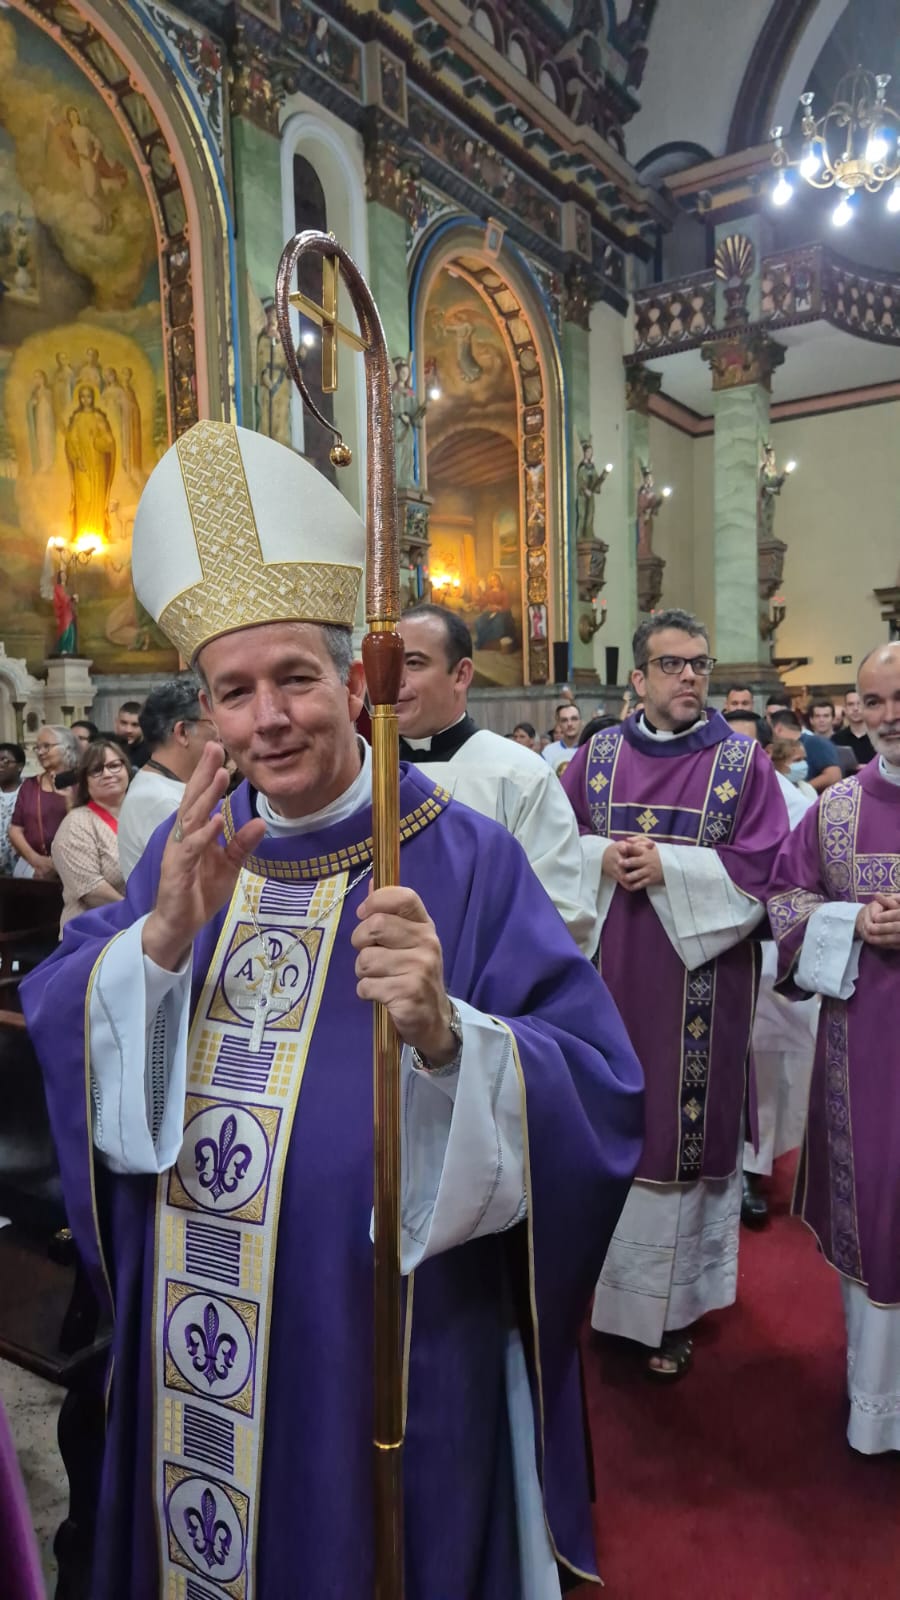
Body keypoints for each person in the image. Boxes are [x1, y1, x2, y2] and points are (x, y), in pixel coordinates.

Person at [21, 420, 644, 1598]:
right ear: (207, 712)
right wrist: (157, 946)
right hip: (196, 1354)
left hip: (384, 1350)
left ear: (354, 682)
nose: (268, 720)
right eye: (234, 693)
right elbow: (62, 1018)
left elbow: (600, 1095)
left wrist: (455, 1040)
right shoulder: (195, 855)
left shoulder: (460, 858)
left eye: (295, 678)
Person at [561, 607, 789, 1377]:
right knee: (608, 1130)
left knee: (677, 1138)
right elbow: (551, 849)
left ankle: (672, 1313)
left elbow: (765, 870)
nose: (690, 677)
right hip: (605, 982)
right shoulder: (593, 759)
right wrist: (604, 857)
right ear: (638, 679)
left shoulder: (742, 763)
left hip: (702, 992)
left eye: (699, 664)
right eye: (673, 665)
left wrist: (673, 868)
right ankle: (598, 1296)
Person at [767, 641, 900, 1454]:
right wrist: (852, 921)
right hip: (872, 1057)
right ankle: (881, 1408)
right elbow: (783, 904)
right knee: (885, 1210)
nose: (891, 718)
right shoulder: (839, 808)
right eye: (876, 702)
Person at [396, 604, 600, 956]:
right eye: (386, 663)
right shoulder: (360, 775)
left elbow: (562, 914)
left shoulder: (520, 775)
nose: (393, 680)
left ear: (461, 675)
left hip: (479, 999)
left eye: (414, 664)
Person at [723, 711, 818, 1226]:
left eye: (749, 747)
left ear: (764, 751)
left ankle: (751, 1173)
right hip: (706, 950)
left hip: (767, 954)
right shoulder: (707, 795)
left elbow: (804, 878)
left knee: (763, 1072)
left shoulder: (795, 801)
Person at [118, 676, 218, 879]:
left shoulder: (161, 785)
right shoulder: (160, 800)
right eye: (213, 723)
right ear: (182, 732)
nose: (220, 734)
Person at [51, 740, 131, 931]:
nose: (107, 774)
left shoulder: (142, 812)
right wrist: (137, 915)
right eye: (96, 770)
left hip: (146, 925)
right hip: (93, 931)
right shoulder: (76, 824)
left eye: (114, 766)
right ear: (84, 780)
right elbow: (92, 891)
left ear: (127, 769)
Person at [7, 726, 76, 879]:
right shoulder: (30, 785)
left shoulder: (84, 783)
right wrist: (36, 860)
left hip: (75, 867)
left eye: (47, 746)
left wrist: (57, 865)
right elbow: (15, 829)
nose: (40, 752)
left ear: (67, 748)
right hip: (31, 867)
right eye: (37, 747)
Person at [768, 704, 840, 793]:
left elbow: (833, 775)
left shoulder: (815, 743)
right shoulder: (779, 749)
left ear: (778, 729)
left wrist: (802, 790)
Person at [0, 743, 25, 876]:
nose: (1, 765)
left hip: (22, 865)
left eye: (6, 761)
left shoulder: (28, 792)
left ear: (20, 766)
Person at [833, 687, 875, 768]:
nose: (855, 708)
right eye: (850, 704)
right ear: (845, 709)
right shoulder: (836, 739)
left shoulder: (880, 736)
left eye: (859, 703)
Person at [542, 704, 582, 776]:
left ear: (580, 722)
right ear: (559, 724)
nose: (569, 724)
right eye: (564, 720)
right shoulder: (548, 751)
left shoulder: (589, 750)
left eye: (574, 719)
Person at [114, 699, 150, 768]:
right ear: (116, 723)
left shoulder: (153, 753)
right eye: (123, 723)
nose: (128, 730)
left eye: (135, 725)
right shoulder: (107, 750)